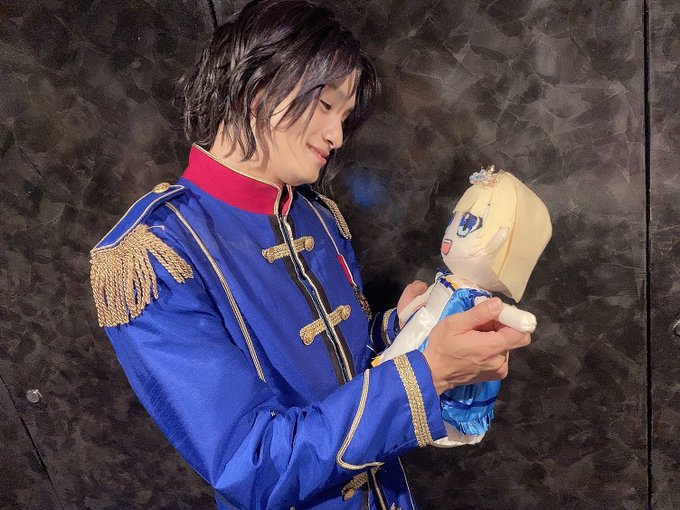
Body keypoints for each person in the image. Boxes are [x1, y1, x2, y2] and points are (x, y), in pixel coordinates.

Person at [89, 1, 531, 508]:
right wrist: (426, 373)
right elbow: (251, 465)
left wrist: (407, 329)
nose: (336, 136)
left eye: (343, 116)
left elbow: (337, 367)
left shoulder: (316, 215)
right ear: (257, 87)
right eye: (325, 106)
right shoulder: (153, 257)